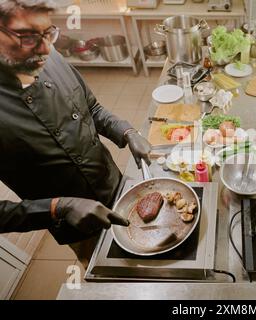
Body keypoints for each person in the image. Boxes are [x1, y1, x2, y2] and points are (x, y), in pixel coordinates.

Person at [0, 0, 152, 258]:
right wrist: (58, 208)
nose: (45, 48)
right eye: (26, 37)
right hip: (77, 224)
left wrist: (126, 131)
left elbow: (90, 108)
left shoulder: (50, 56)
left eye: (49, 32)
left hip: (114, 186)